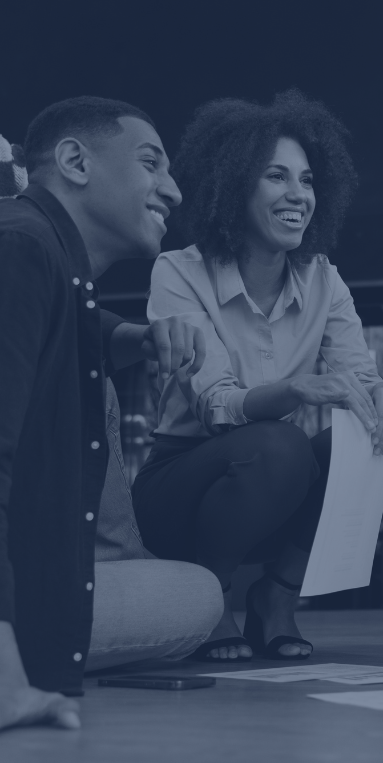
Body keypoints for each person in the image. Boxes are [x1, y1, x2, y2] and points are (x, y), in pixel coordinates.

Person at [132, 90, 383, 662]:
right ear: (234, 186)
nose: (298, 195)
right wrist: (295, 389)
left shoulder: (324, 280)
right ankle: (207, 598)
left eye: (307, 180)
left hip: (275, 490)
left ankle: (277, 596)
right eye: (276, 177)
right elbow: (216, 405)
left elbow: (361, 380)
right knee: (278, 443)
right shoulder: (178, 271)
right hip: (181, 490)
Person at [0, 97, 223, 732]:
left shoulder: (37, 247)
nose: (173, 191)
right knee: (195, 594)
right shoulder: (21, 248)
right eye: (151, 163)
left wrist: (134, 338)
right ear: (75, 161)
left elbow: (75, 321)